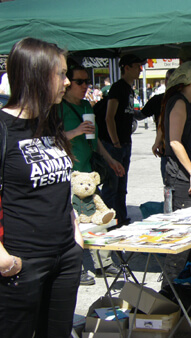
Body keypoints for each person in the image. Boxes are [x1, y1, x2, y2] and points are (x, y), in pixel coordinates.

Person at [0, 37, 84, 337]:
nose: (66, 82)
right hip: (21, 263)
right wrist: (4, 258)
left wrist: (75, 236)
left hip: (65, 256)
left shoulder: (50, 121)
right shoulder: (3, 128)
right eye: (61, 74)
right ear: (36, 74)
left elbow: (59, 183)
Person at [60, 63, 125, 285]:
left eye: (87, 81)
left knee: (98, 216)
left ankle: (103, 264)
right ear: (67, 84)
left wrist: (110, 159)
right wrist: (75, 131)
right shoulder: (57, 108)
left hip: (88, 172)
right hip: (69, 174)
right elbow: (50, 138)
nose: (85, 85)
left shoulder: (87, 105)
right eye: (80, 81)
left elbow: (94, 139)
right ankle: (74, 267)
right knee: (72, 221)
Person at [160, 61, 191, 286]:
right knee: (181, 240)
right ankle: (168, 291)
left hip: (189, 178)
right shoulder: (179, 102)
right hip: (181, 180)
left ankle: (182, 290)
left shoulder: (189, 102)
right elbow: (174, 141)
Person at [100, 54, 146, 226]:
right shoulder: (118, 88)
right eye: (137, 66)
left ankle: (121, 218)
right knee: (112, 186)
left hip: (125, 142)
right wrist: (116, 142)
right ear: (126, 67)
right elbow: (109, 117)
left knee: (121, 185)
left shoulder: (128, 88)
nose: (140, 70)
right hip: (115, 144)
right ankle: (109, 222)